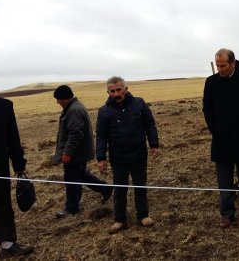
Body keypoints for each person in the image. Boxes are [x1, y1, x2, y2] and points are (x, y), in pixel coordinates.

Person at [203, 48, 239, 228]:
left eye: (223, 66)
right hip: (221, 140)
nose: (220, 69)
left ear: (233, 63)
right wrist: (215, 129)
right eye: (218, 66)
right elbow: (208, 108)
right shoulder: (211, 82)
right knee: (224, 181)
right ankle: (227, 214)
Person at [96, 76, 160, 234]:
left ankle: (143, 216)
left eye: (119, 89)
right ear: (108, 92)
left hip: (139, 154)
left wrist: (154, 145)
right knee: (120, 189)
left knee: (140, 186)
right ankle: (119, 219)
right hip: (118, 158)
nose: (116, 93)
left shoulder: (139, 103)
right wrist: (101, 158)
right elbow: (101, 136)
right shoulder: (104, 111)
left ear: (125, 89)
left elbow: (150, 125)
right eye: (112, 91)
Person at [0, 80, 34, 258]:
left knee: (2, 204)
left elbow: (12, 137)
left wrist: (19, 164)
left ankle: (7, 244)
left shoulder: (4, 107)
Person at [53, 85, 113, 218]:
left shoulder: (74, 110)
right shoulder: (74, 107)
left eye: (58, 99)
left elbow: (76, 134)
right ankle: (105, 188)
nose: (57, 102)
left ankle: (72, 208)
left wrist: (68, 152)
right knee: (81, 175)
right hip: (79, 152)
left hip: (76, 154)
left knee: (72, 180)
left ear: (64, 98)